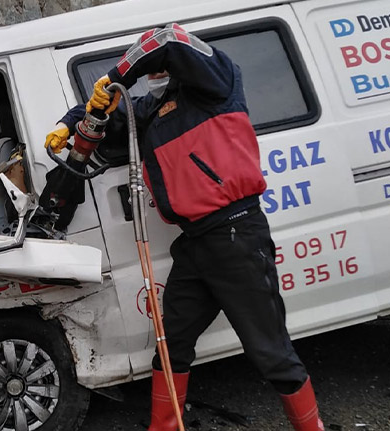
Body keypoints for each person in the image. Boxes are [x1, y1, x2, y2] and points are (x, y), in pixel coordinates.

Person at [45, 23, 324, 431]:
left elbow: (169, 40)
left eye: (157, 68)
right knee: (170, 343)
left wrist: (119, 75)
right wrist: (73, 121)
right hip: (194, 243)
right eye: (149, 69)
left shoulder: (217, 83)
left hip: (236, 235)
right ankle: (166, 426)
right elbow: (111, 119)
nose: (154, 73)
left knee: (270, 352)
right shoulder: (151, 111)